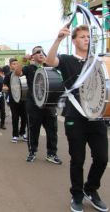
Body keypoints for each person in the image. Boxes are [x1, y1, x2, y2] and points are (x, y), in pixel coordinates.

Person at [46, 24, 108, 212]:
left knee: (102, 157)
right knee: (78, 159)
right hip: (75, 116)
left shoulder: (97, 60)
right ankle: (77, 195)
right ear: (74, 40)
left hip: (96, 116)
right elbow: (49, 61)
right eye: (82, 36)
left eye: (88, 36)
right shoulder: (66, 60)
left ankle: (91, 189)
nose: (86, 39)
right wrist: (58, 39)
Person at [15, 46, 62, 165]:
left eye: (42, 51)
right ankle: (32, 152)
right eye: (37, 52)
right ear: (33, 56)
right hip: (34, 103)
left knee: (52, 129)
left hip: (49, 103)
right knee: (33, 128)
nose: (41, 54)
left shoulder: (50, 67)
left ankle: (51, 154)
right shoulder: (29, 68)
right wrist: (22, 60)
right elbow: (17, 73)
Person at [3, 58, 27, 142]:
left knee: (25, 117)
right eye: (13, 64)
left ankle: (23, 132)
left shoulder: (23, 74)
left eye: (17, 63)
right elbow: (5, 86)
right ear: (10, 65)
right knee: (15, 117)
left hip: (24, 99)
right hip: (13, 99)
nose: (15, 65)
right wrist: (5, 88)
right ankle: (15, 135)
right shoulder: (8, 75)